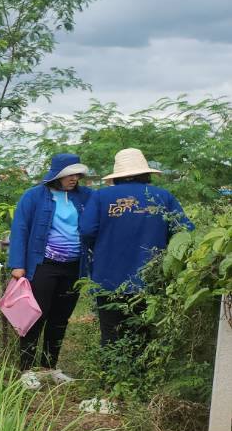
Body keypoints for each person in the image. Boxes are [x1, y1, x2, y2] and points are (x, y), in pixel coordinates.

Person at [78, 147, 193, 357]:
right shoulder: (163, 196)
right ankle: (141, 375)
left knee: (111, 331)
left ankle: (112, 375)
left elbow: (86, 230)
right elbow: (184, 232)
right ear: (146, 173)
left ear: (117, 176)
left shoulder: (101, 197)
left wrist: (103, 246)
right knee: (144, 329)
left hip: (108, 274)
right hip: (150, 276)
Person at [6, 153, 93, 389]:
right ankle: (25, 369)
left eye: (77, 174)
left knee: (60, 318)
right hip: (43, 266)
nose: (74, 178)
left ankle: (49, 367)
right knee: (34, 316)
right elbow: (20, 228)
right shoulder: (34, 196)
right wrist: (18, 264)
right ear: (57, 175)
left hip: (74, 267)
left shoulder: (86, 197)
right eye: (69, 174)